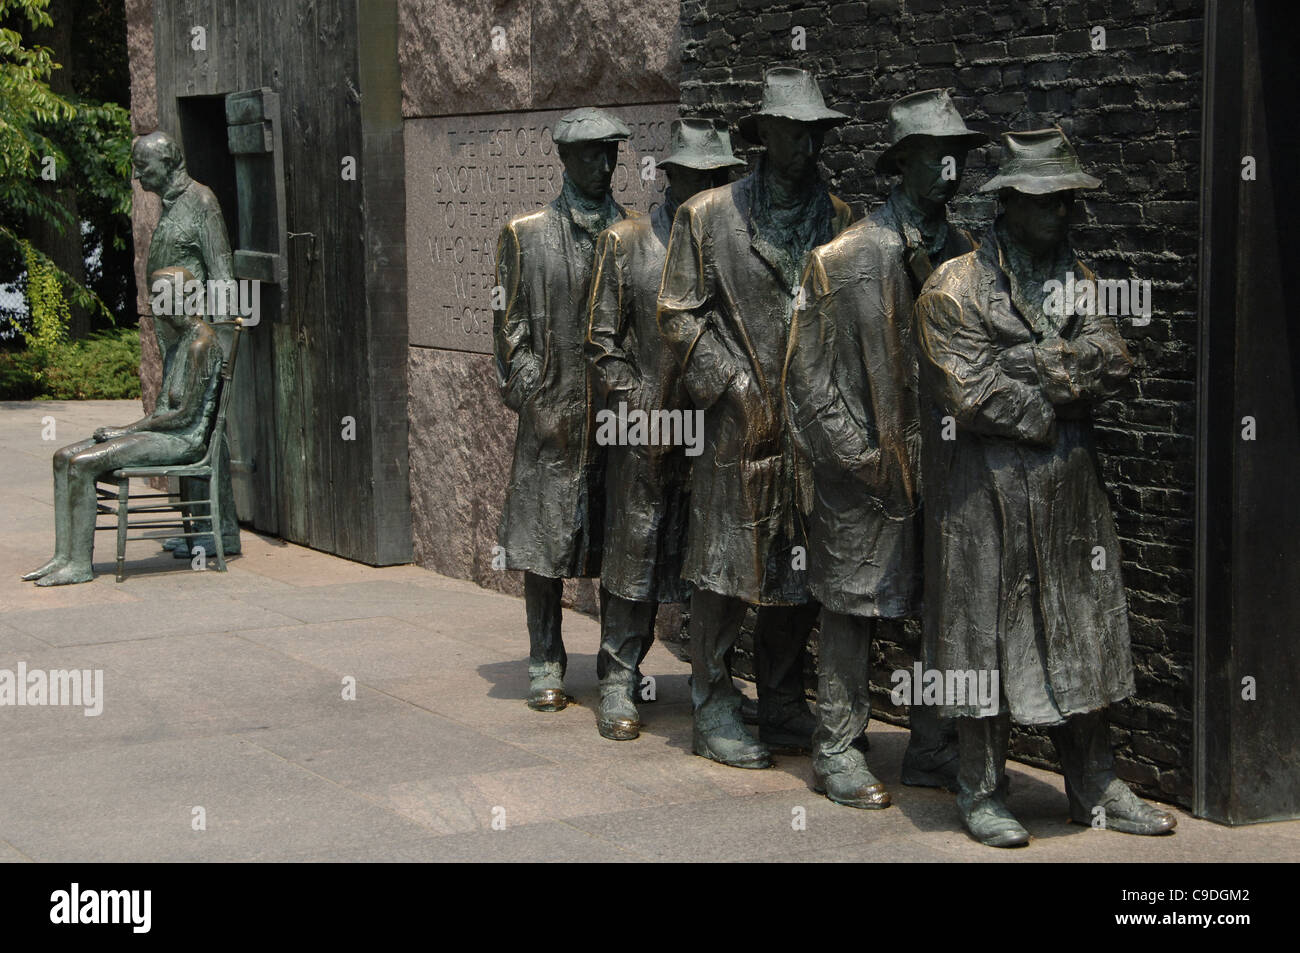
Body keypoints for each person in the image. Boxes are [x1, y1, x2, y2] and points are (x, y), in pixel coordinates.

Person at [913, 127, 1177, 846]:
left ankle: (1095, 782)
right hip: (984, 495)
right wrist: (1058, 396)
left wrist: (1033, 362)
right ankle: (981, 785)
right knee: (983, 638)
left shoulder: (1081, 278)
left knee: (1083, 630)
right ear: (1009, 205)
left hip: (1068, 494)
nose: (1063, 213)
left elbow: (1115, 360)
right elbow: (968, 393)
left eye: (1067, 200)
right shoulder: (952, 288)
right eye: (1048, 200)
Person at [783, 89, 988, 807]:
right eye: (936, 157)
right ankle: (837, 745)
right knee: (851, 607)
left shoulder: (969, 258)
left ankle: (932, 745)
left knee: (941, 605)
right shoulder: (840, 259)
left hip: (946, 467)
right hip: (861, 472)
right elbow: (805, 377)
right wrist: (856, 455)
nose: (951, 171)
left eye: (958, 157)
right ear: (901, 164)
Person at [658, 68, 854, 768]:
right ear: (763, 135)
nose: (803, 144)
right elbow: (676, 317)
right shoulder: (707, 216)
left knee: (800, 571)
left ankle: (780, 701)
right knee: (725, 568)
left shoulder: (840, 218)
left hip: (815, 424)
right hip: (736, 427)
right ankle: (711, 705)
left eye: (813, 132)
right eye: (790, 131)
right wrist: (732, 381)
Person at [585, 119, 745, 741]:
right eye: (695, 176)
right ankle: (619, 677)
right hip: (647, 430)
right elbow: (601, 342)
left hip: (716, 432)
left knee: (714, 561)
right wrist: (634, 408)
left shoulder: (732, 245)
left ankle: (716, 684)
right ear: (671, 176)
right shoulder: (625, 242)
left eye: (717, 177)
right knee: (634, 555)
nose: (706, 187)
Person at [493, 107, 636, 712]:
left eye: (611, 154)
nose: (602, 166)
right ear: (564, 158)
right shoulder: (524, 235)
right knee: (544, 544)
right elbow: (508, 329)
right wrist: (532, 392)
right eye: (590, 155)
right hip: (552, 418)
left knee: (617, 545)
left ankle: (616, 667)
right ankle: (546, 657)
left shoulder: (632, 234)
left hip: (614, 421)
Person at [22, 268, 224, 586]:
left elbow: (184, 417)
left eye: (162, 294)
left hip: (182, 440)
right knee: (63, 457)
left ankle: (79, 565)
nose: (156, 302)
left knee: (83, 463)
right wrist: (130, 430)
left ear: (185, 297)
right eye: (154, 294)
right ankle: (63, 556)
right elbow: (162, 409)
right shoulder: (176, 342)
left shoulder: (201, 344)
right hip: (161, 431)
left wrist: (124, 431)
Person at [132, 130, 239, 558]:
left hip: (200, 340)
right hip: (175, 338)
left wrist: (224, 353)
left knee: (208, 431)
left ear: (170, 161)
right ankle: (198, 529)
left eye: (144, 166)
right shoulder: (171, 204)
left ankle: (221, 532)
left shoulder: (202, 202)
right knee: (183, 429)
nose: (138, 174)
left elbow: (223, 276)